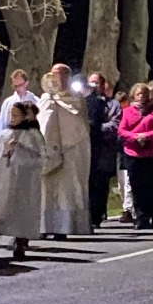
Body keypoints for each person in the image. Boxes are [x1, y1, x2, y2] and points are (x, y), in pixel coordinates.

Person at [0, 99, 45, 258]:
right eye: (11, 114)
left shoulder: (32, 135)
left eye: (16, 115)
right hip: (4, 177)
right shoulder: (4, 134)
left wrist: (19, 147)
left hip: (24, 179)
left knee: (21, 209)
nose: (12, 117)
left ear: (25, 117)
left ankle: (20, 244)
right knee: (0, 208)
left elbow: (40, 157)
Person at [39, 64, 92, 236]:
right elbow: (42, 123)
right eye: (56, 74)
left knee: (67, 190)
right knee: (47, 190)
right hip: (49, 150)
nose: (59, 78)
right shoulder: (45, 98)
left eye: (63, 75)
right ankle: (45, 227)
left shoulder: (76, 99)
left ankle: (64, 226)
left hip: (72, 150)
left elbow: (82, 126)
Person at [118, 83, 153, 229]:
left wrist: (146, 136)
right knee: (137, 187)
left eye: (143, 94)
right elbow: (122, 130)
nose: (141, 96)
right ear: (133, 96)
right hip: (134, 154)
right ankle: (141, 218)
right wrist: (135, 137)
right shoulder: (128, 111)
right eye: (138, 94)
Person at [85, 71, 119, 228]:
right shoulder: (83, 102)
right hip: (87, 146)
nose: (93, 86)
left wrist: (97, 128)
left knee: (100, 182)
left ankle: (97, 214)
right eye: (90, 82)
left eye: (96, 83)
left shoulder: (112, 105)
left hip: (103, 148)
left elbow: (115, 124)